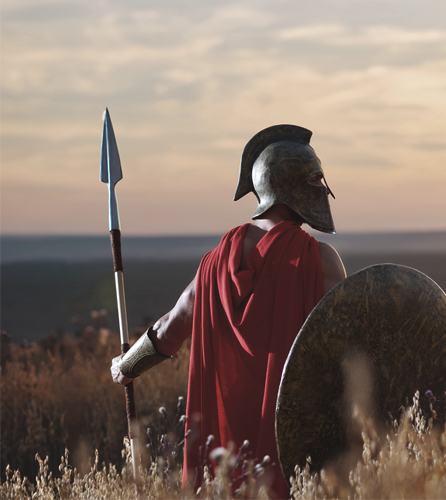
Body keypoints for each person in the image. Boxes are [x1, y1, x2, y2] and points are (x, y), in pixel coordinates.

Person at [110, 125, 346, 498]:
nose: (321, 189)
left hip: (221, 447)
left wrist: (127, 366)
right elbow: (348, 350)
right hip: (288, 450)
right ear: (290, 186)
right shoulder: (319, 262)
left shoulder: (213, 265)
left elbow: (171, 326)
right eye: (314, 180)